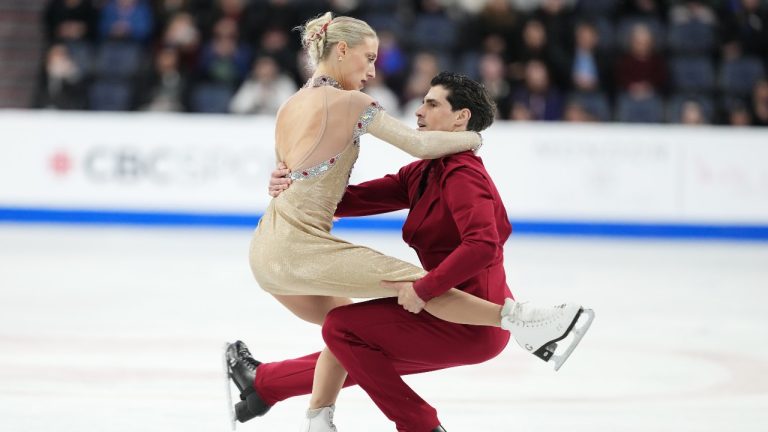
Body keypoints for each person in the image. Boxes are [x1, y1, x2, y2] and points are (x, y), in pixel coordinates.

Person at [225, 12, 594, 430]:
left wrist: (424, 287)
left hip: (465, 312)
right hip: (437, 306)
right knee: (346, 332)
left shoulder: (462, 174)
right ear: (342, 51)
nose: (417, 110)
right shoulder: (419, 173)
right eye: (369, 58)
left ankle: (270, 388)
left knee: (347, 333)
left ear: (460, 119)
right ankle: (342, 414)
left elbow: (482, 245)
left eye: (431, 104)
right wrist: (291, 183)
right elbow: (350, 191)